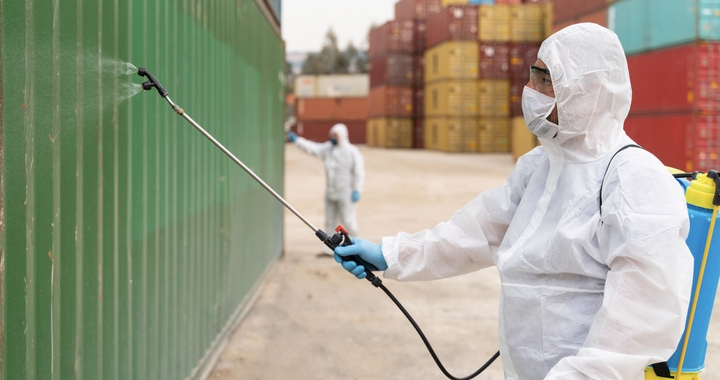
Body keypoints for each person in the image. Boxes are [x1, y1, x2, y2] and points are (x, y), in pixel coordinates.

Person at [334, 23, 694, 379]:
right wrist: (392, 254)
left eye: (545, 80)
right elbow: (477, 232)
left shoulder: (635, 180)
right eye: (532, 77)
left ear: (590, 92)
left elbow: (638, 322)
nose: (530, 91)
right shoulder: (539, 167)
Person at [288, 123, 365, 255]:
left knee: (348, 220)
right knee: (330, 222)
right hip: (330, 192)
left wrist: (357, 189)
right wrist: (298, 141)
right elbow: (313, 148)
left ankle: (355, 247)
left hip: (346, 193)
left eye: (335, 135)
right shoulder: (328, 149)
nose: (333, 138)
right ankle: (329, 250)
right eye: (332, 135)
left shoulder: (352, 152)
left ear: (342, 136)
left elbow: (359, 172)